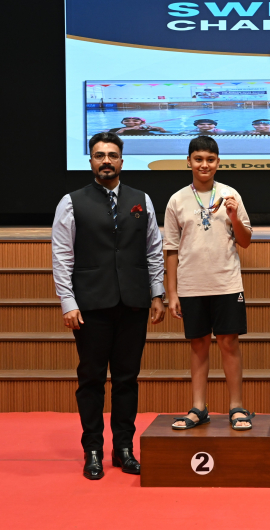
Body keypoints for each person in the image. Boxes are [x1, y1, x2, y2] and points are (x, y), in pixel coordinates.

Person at [51, 132, 166, 480]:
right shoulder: (71, 202)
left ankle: (124, 449)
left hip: (133, 303)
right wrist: (67, 301)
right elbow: (62, 256)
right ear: (90, 161)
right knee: (92, 380)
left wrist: (157, 294)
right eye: (99, 155)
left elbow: (153, 250)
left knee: (127, 379)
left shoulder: (141, 200)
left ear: (121, 161)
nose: (106, 161)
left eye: (112, 155)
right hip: (91, 305)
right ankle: (93, 450)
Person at [164, 136, 255, 431]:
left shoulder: (230, 194)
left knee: (229, 343)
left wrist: (234, 216)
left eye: (210, 159)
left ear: (218, 162)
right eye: (199, 159)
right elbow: (171, 249)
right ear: (189, 161)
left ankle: (236, 407)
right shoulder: (177, 200)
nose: (204, 165)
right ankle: (199, 408)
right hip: (191, 285)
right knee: (199, 344)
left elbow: (245, 241)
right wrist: (172, 292)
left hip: (226, 283)